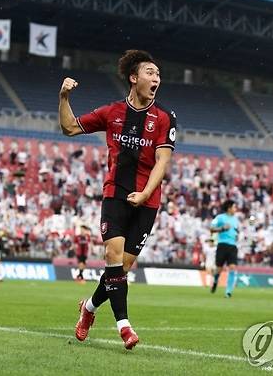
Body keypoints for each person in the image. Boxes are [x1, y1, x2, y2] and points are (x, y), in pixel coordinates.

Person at [59, 49, 176, 349]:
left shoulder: (165, 117)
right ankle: (124, 327)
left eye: (158, 75)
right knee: (112, 255)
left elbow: (163, 162)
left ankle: (88, 309)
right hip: (115, 194)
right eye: (150, 73)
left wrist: (146, 193)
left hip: (148, 200)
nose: (156, 78)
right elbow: (69, 128)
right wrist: (64, 98)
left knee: (120, 269)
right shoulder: (112, 113)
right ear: (134, 78)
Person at [209, 200, 240, 297]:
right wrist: (222, 228)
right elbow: (211, 228)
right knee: (219, 269)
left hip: (233, 246)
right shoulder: (219, 218)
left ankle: (228, 292)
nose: (236, 209)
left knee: (232, 267)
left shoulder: (236, 220)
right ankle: (215, 281)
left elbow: (236, 231)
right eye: (234, 207)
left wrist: (236, 235)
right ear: (229, 208)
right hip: (222, 245)